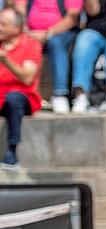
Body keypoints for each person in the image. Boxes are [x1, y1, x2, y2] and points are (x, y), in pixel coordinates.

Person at [13, 0, 81, 114]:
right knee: (20, 42)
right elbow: (19, 10)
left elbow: (72, 17)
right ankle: (26, 95)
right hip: (30, 33)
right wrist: (25, 31)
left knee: (56, 43)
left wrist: (47, 34)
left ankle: (60, 94)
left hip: (62, 33)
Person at [0, 9, 42, 170]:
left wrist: (5, 60)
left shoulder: (31, 45)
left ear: (16, 28)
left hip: (22, 97)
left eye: (3, 24)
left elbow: (27, 78)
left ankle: (12, 150)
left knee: (13, 98)